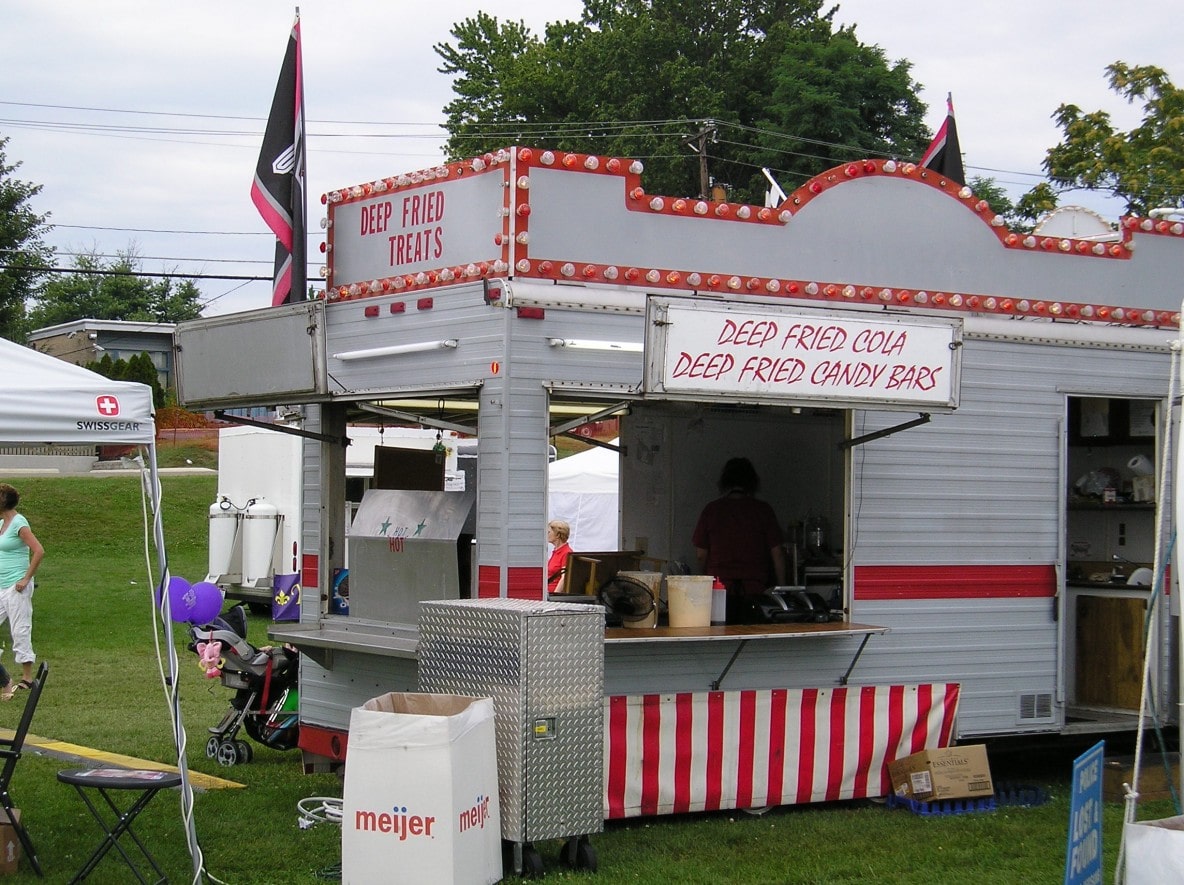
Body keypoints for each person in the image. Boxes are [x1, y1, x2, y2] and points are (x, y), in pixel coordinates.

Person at [692, 458, 787, 624]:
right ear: (752, 482)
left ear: (725, 481)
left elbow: (701, 555)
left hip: (720, 592)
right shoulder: (762, 510)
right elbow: (777, 554)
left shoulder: (712, 510)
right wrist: (783, 589)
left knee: (720, 639)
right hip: (755, 591)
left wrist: (702, 584)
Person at [0, 483, 44, 700]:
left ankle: (26, 677)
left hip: (16, 587)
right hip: (0, 586)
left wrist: (26, 579)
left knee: (20, 629)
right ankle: (4, 679)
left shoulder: (19, 522)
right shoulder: (1, 523)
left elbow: (38, 550)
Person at [546, 519, 572, 594]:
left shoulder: (566, 553)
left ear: (557, 535)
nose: (547, 534)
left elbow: (564, 578)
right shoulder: (556, 551)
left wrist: (554, 596)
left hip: (554, 595)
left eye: (549, 532)